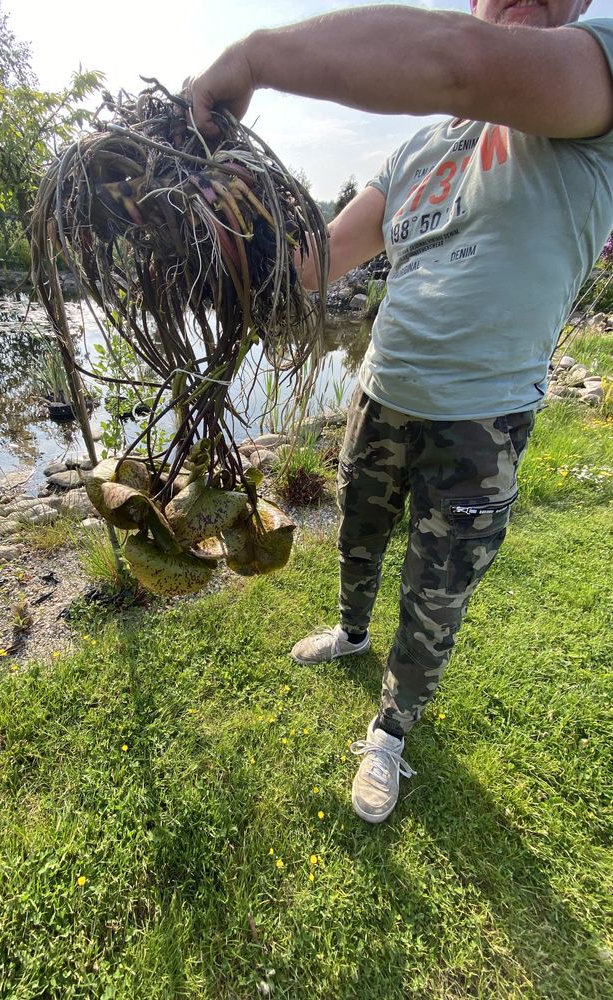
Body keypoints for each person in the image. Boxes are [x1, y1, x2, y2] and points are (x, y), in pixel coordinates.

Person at [186, 0, 613, 823]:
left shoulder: (592, 75)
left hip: (481, 420)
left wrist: (251, 57)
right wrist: (230, 222)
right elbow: (315, 265)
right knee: (357, 529)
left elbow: (456, 60)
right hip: (381, 392)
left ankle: (391, 728)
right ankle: (349, 631)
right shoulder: (416, 149)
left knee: (436, 589)